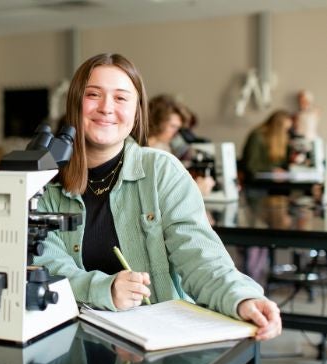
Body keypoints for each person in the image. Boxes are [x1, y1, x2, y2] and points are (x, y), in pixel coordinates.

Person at [34, 52, 281, 341]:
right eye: (93, 95)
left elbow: (199, 256)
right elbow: (47, 264)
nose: (106, 108)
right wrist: (104, 288)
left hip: (160, 344)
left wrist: (241, 298)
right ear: (75, 103)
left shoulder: (162, 171)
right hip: (71, 342)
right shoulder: (46, 182)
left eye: (121, 98)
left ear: (137, 112)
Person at [148, 94, 215, 196]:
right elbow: (160, 196)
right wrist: (195, 190)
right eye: (172, 126)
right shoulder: (145, 152)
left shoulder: (163, 147)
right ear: (157, 122)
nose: (176, 133)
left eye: (177, 128)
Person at [241, 109, 292, 183]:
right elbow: (251, 165)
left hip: (275, 181)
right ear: (277, 127)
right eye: (285, 129)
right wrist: (272, 170)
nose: (286, 133)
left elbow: (281, 163)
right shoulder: (257, 136)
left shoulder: (281, 140)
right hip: (256, 182)